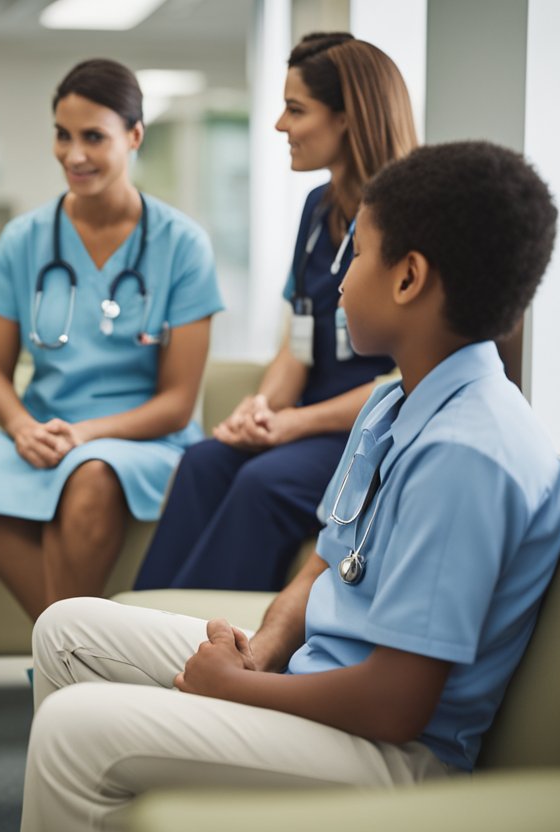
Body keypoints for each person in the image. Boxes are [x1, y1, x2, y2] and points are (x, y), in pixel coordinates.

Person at [19, 140, 560, 832]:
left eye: (360, 255)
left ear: (409, 279)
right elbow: (323, 563)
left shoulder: (469, 456)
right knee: (66, 630)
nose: (338, 282)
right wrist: (266, 647)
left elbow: (397, 705)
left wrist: (239, 690)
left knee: (75, 729)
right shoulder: (392, 401)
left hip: (393, 753)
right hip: (316, 678)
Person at [134, 33, 415, 593]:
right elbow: (298, 342)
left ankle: (192, 645)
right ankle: (133, 624)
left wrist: (292, 424)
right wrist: (259, 410)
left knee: (263, 481)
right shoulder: (317, 209)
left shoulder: (410, 215)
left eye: (295, 109)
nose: (279, 126)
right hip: (307, 426)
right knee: (205, 461)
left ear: (347, 118)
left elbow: (408, 377)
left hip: (375, 434)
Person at [0, 58, 223, 620]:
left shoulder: (182, 245)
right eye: (63, 135)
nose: (74, 155)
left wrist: (85, 434)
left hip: (142, 440)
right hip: (44, 428)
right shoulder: (23, 239)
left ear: (134, 136)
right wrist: (23, 428)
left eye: (93, 137)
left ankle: (59, 661)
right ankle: (75, 653)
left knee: (93, 473)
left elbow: (177, 403)